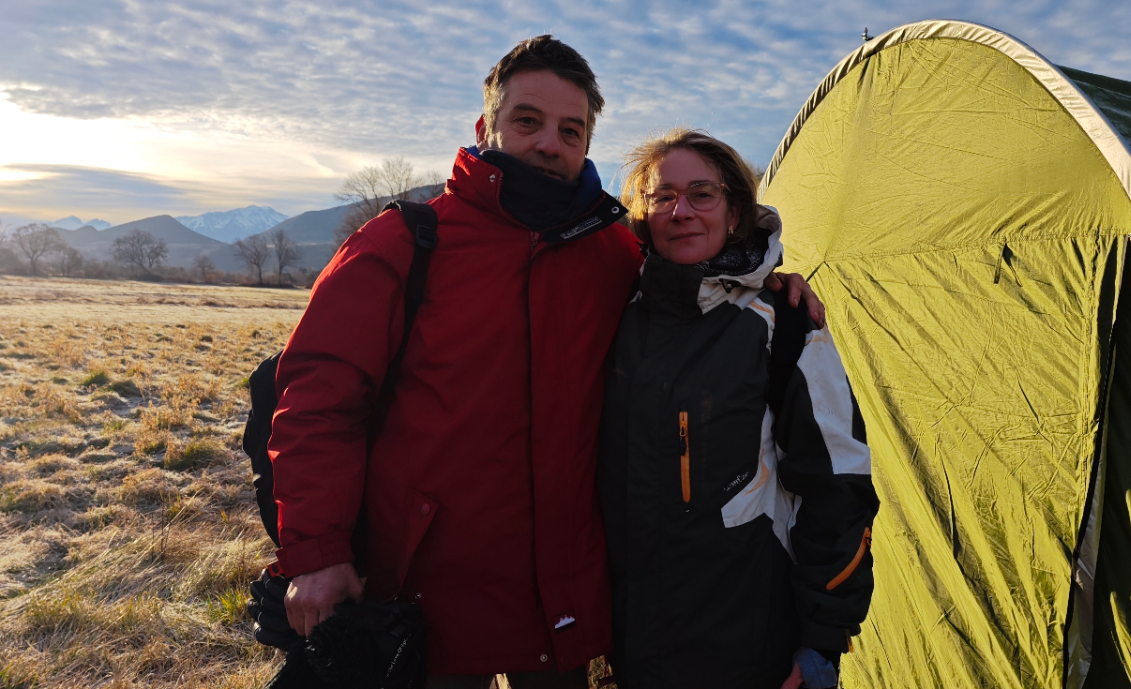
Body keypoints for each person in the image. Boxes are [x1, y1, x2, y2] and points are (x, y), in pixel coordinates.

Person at [267, 36, 822, 688]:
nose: (549, 144)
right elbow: (315, 404)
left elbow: (696, 275)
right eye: (527, 121)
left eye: (571, 129)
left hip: (564, 598)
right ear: (486, 126)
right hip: (425, 598)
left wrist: (775, 282)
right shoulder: (403, 242)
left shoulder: (615, 254)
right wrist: (318, 552)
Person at [597, 129, 878, 689]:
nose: (682, 211)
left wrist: (823, 638)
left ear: (734, 212)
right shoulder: (611, 315)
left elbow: (839, 486)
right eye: (663, 196)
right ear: (642, 213)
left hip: (749, 647)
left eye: (702, 193)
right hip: (629, 644)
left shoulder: (785, 323)